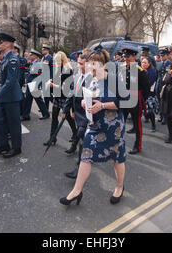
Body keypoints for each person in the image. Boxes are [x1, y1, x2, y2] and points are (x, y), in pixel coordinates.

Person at [60, 48, 126, 206]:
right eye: (88, 65)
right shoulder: (91, 79)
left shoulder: (114, 79)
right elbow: (87, 96)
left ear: (103, 65)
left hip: (113, 126)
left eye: (93, 65)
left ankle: (119, 186)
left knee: (116, 158)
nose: (90, 68)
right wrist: (85, 102)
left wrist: (102, 105)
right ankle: (76, 191)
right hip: (95, 124)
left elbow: (125, 102)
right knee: (85, 156)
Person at [0, 33, 23, 159]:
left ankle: (16, 147)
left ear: (8, 44)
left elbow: (11, 81)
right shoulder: (5, 58)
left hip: (11, 97)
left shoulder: (13, 58)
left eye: (1, 42)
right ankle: (3, 145)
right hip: (4, 95)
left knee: (13, 123)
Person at [62, 50, 92, 179]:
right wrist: (67, 109)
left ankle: (79, 167)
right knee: (83, 140)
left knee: (82, 139)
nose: (79, 66)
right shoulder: (77, 74)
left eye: (82, 64)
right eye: (78, 63)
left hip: (88, 115)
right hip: (78, 113)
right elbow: (72, 92)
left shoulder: (93, 77)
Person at [43, 51, 77, 146]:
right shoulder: (58, 69)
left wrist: (52, 84)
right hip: (57, 96)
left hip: (64, 96)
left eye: (58, 61)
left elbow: (65, 86)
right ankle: (52, 138)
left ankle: (75, 134)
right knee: (54, 117)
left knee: (67, 117)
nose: (56, 63)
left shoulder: (68, 70)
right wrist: (51, 81)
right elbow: (57, 80)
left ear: (63, 60)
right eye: (55, 61)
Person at [121, 47, 150, 155]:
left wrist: (141, 100)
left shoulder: (139, 70)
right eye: (124, 56)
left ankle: (137, 146)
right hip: (123, 98)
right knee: (120, 122)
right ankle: (118, 143)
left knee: (137, 124)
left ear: (134, 57)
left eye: (128, 56)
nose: (126, 58)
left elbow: (146, 88)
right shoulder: (122, 68)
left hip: (135, 99)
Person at [21, 50, 50, 121]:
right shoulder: (32, 63)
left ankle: (46, 113)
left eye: (31, 55)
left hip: (34, 84)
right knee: (28, 99)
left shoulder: (39, 64)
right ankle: (26, 115)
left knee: (38, 99)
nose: (30, 56)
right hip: (30, 83)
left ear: (35, 56)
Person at [141, 57, 158, 132]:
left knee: (150, 110)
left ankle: (153, 125)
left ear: (149, 63)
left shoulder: (152, 72)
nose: (143, 64)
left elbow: (149, 83)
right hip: (141, 93)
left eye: (145, 62)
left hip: (149, 94)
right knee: (141, 109)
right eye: (142, 62)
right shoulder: (141, 71)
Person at [41, 44, 54, 110]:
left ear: (47, 50)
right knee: (46, 94)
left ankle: (55, 103)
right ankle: (45, 108)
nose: (42, 51)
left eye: (43, 50)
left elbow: (52, 69)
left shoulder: (50, 58)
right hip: (44, 78)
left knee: (47, 94)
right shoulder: (43, 58)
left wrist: (51, 78)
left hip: (48, 78)